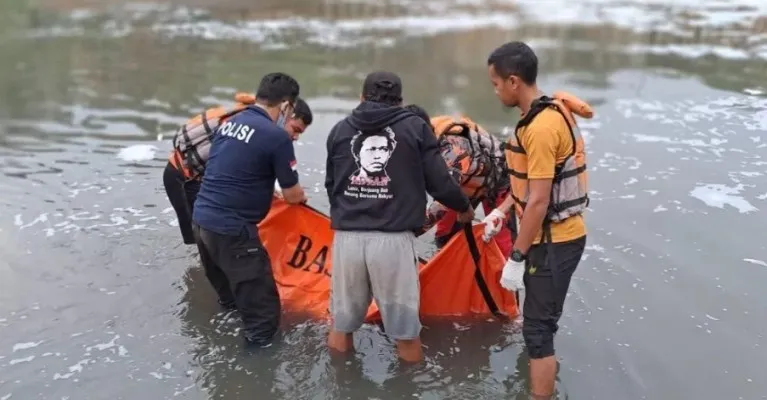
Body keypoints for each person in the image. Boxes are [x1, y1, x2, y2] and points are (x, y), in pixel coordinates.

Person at [324, 71, 474, 363]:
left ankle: (341, 384)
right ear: (400, 102)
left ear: (362, 98)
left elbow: (333, 186)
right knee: (406, 333)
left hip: (347, 240)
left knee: (341, 325)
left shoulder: (340, 130)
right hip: (393, 242)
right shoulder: (416, 128)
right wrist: (465, 208)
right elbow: (440, 184)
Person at [483, 42, 591, 399]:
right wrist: (500, 212)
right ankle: (542, 377)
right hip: (546, 237)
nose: (495, 91)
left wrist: (516, 257)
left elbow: (541, 200)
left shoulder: (541, 128)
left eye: (496, 84)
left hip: (554, 242)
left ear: (514, 81)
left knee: (538, 332)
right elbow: (529, 188)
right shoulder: (542, 114)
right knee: (539, 323)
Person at [191, 72, 308, 346]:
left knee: (231, 304)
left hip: (201, 223)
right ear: (287, 106)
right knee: (263, 320)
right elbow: (292, 195)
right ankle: (251, 382)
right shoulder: (276, 136)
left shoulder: (231, 123)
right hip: (233, 232)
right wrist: (298, 195)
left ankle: (219, 363)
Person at [163, 95, 313, 245]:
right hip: (183, 178)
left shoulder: (252, 119)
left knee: (209, 241)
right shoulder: (253, 128)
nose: (296, 137)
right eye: (295, 129)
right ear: (285, 113)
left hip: (196, 175)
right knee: (202, 241)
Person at [404, 104, 515, 256]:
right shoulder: (415, 138)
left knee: (502, 245)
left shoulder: (454, 149)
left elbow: (443, 200)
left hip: (498, 182)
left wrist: (406, 234)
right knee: (444, 236)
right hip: (464, 184)